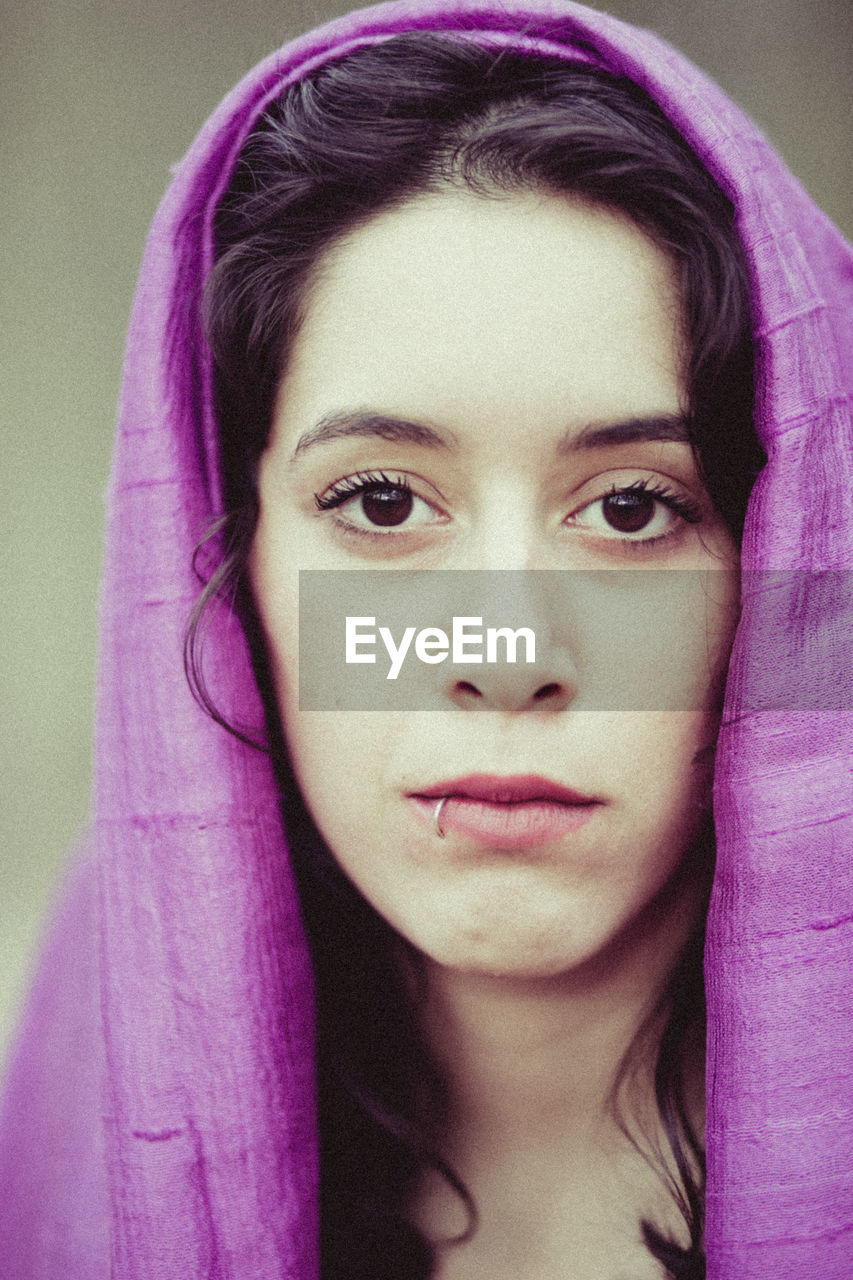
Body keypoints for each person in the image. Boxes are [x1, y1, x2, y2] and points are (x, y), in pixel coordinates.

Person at [0, 2, 850, 1278]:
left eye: (631, 509)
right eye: (382, 502)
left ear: (783, 568)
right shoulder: (89, 1072)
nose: (504, 652)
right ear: (234, 569)